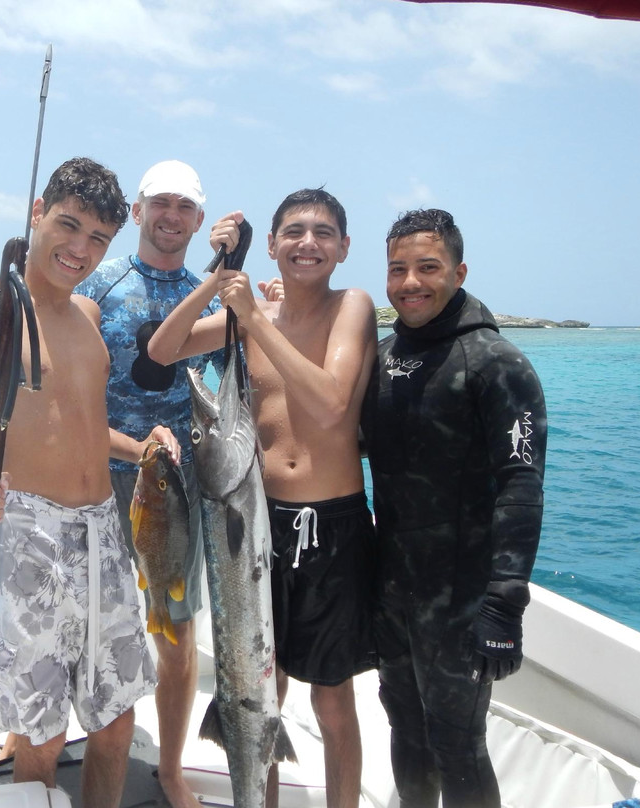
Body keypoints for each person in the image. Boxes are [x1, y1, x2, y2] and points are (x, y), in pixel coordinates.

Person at [0, 157, 173, 807]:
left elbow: (81, 424)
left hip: (105, 527)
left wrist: (143, 448)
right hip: (28, 535)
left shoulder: (86, 317)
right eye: (68, 226)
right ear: (37, 213)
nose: (79, 249)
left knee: (116, 720)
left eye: (98, 239)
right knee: (42, 735)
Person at [149, 188, 379, 808]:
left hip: (328, 524)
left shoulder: (350, 306)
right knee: (258, 692)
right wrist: (219, 277)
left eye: (324, 232)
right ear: (272, 245)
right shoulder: (245, 312)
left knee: (331, 698)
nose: (309, 243)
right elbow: (163, 350)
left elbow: (331, 403)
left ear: (344, 248)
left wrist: (252, 322)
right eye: (294, 232)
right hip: (255, 520)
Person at [360, 208, 547, 808]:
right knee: (404, 727)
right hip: (392, 589)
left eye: (427, 267)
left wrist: (504, 604)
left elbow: (522, 486)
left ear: (459, 271)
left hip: (461, 597)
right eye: (397, 269)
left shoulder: (496, 363)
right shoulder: (383, 357)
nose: (410, 282)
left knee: (458, 742)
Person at [74, 159, 223, 808]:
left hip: (176, 492)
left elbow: (249, 379)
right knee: (79, 624)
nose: (170, 216)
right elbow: (63, 398)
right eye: (158, 203)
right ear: (136, 212)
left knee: (177, 630)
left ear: (197, 219)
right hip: (91, 480)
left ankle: (170, 767)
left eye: (184, 206)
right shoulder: (94, 284)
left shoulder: (209, 293)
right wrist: (132, 448)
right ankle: (38, 739)